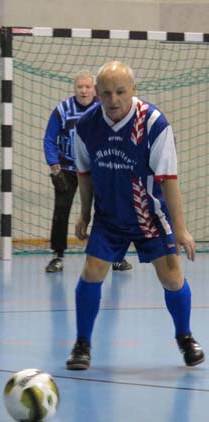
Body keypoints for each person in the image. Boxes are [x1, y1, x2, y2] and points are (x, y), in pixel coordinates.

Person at [66, 61, 205, 370]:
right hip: (109, 216)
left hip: (150, 216)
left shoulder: (154, 124)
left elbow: (169, 180)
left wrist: (180, 230)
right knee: (92, 271)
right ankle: (82, 343)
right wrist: (84, 213)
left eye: (120, 92)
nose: (113, 100)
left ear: (134, 91)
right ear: (97, 94)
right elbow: (85, 174)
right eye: (105, 93)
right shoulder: (86, 125)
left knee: (171, 276)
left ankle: (185, 336)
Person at [43, 70, 132, 273]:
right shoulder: (62, 110)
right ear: (74, 89)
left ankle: (117, 257)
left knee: (110, 210)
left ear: (96, 90)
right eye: (79, 87)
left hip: (97, 169)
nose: (83, 91)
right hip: (67, 168)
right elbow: (49, 139)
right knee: (61, 210)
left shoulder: (104, 109)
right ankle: (57, 256)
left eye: (87, 87)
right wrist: (54, 167)